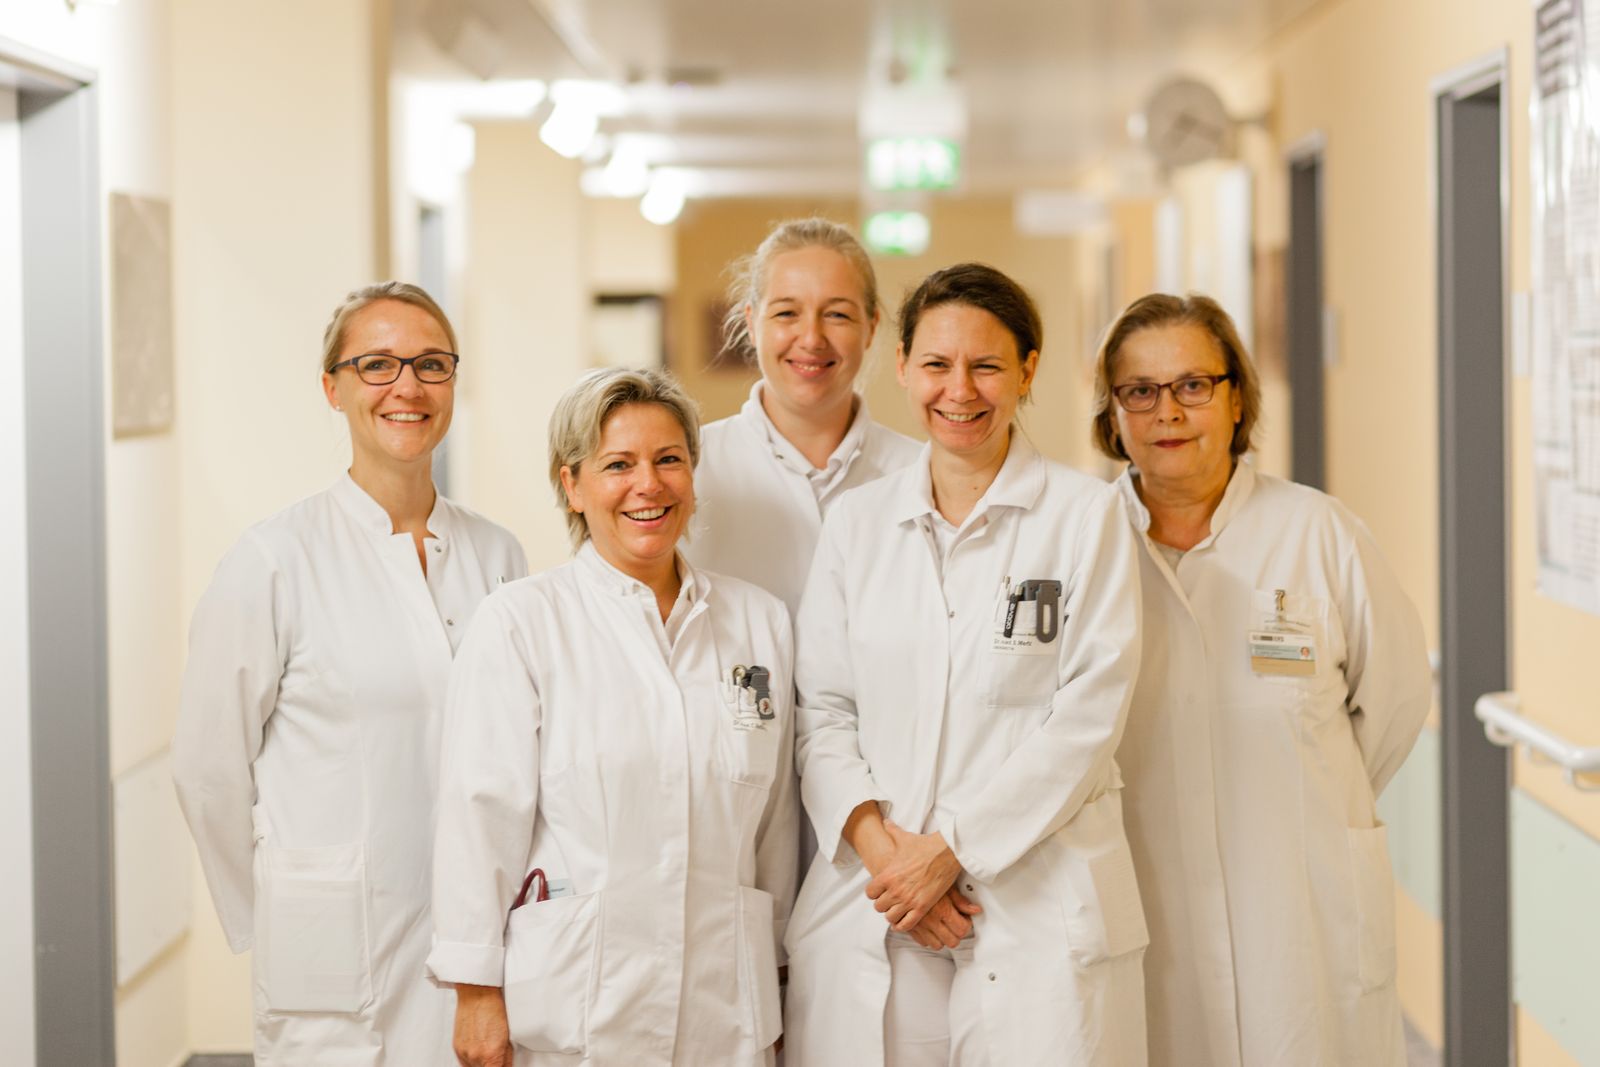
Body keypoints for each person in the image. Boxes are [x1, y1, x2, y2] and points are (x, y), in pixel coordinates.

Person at [785, 263, 1149, 1067]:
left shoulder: (1085, 517)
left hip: (1037, 899)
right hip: (885, 900)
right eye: (937, 364)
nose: (960, 390)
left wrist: (950, 849)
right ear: (903, 365)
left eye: (986, 365)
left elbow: (1087, 718)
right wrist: (892, 860)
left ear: (1027, 371)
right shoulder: (857, 523)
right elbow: (824, 711)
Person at [172, 282, 527, 1065]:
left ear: (453, 382)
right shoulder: (273, 560)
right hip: (329, 963)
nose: (407, 385)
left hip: (475, 951)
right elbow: (206, 768)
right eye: (376, 364)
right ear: (332, 388)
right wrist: (281, 903)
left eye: (431, 364)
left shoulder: (498, 554)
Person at [1093, 293, 1431, 1067]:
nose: (1167, 411)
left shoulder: (1319, 533)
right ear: (1113, 414)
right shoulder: (1086, 543)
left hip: (1301, 905)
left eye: (1192, 384)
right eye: (1139, 390)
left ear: (1237, 397)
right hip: (1148, 899)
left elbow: (1396, 700)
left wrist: (1306, 793)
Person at [431, 368, 798, 1067]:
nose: (648, 485)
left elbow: (774, 824)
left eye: (669, 459)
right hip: (580, 1009)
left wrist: (775, 977)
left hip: (725, 1005)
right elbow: (479, 814)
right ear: (572, 485)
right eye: (618, 465)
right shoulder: (523, 621)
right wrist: (475, 990)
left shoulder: (759, 622)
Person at [685, 216, 921, 617]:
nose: (811, 338)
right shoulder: (691, 467)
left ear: (871, 327)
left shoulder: (919, 474)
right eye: (787, 313)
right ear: (752, 323)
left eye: (837, 315)